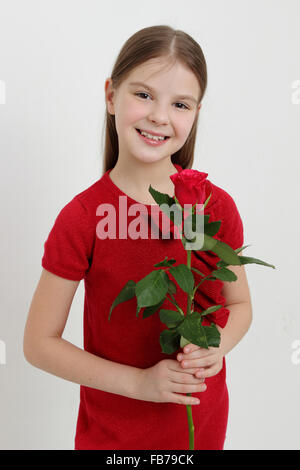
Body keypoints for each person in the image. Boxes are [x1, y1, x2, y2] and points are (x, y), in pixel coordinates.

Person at [23, 25, 253, 450]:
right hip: (113, 438)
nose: (159, 116)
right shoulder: (84, 217)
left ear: (196, 113)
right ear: (111, 95)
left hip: (199, 433)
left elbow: (239, 305)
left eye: (180, 103)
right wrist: (140, 382)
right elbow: (39, 343)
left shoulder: (214, 207)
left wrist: (215, 350)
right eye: (143, 94)